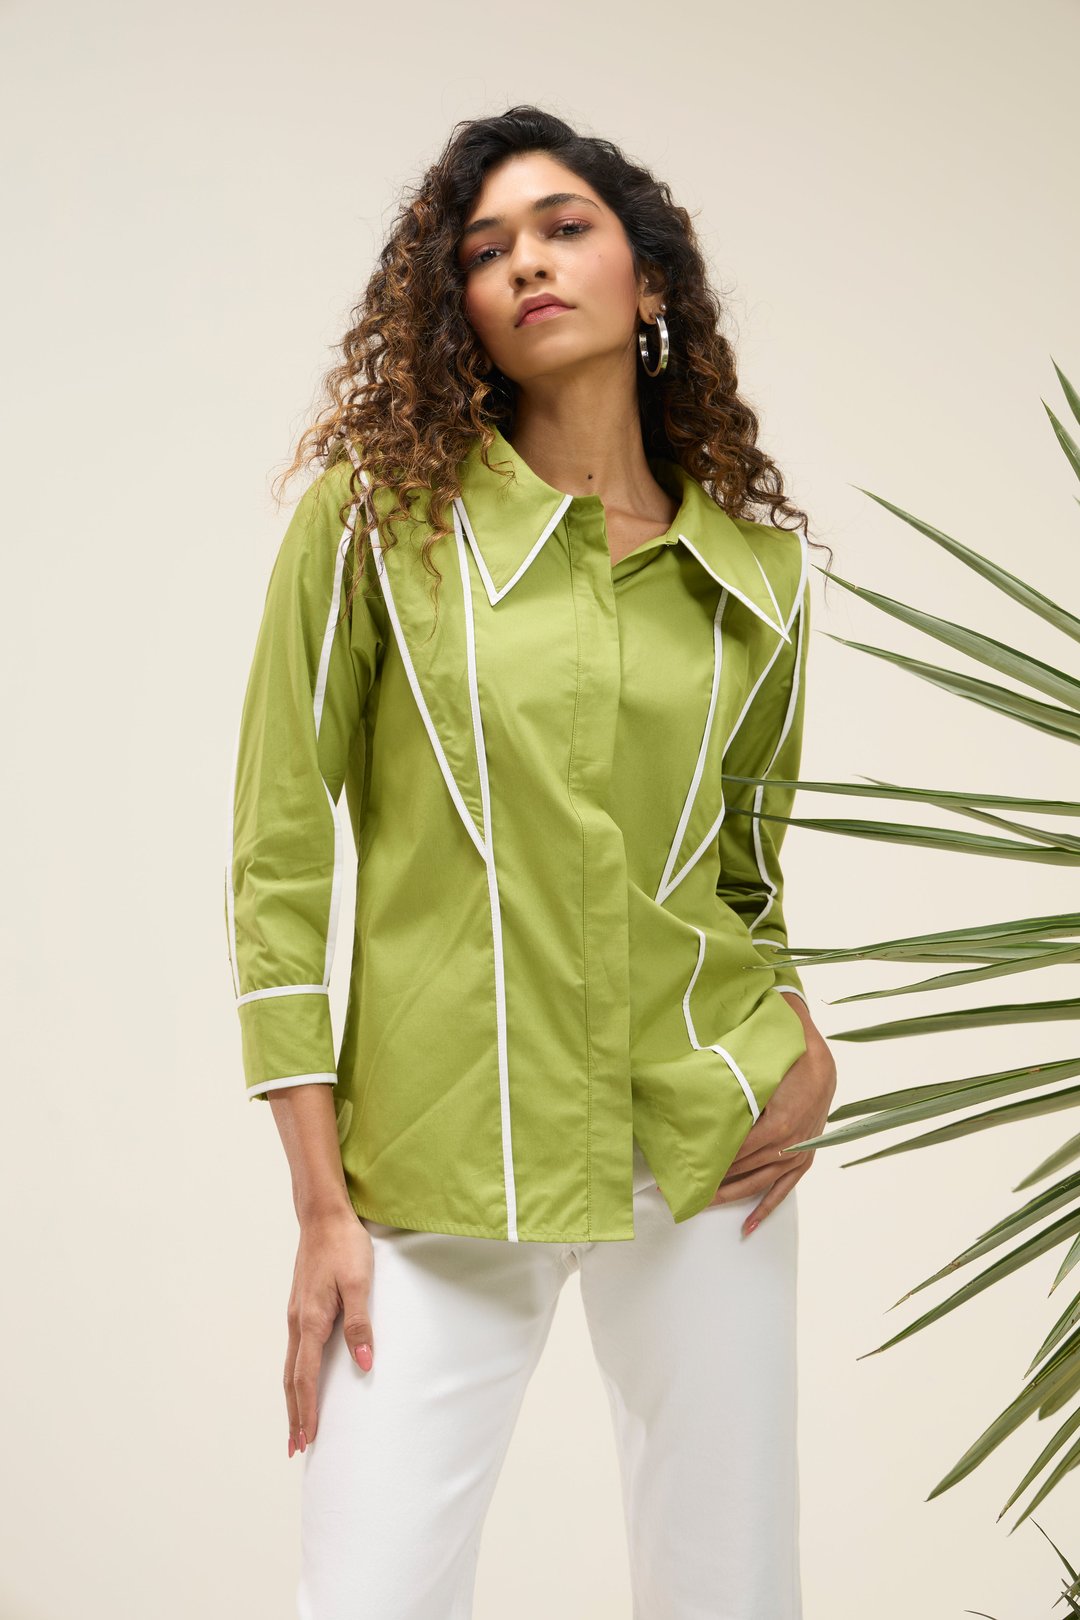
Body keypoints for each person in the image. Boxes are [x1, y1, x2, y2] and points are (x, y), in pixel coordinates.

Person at [225, 104, 838, 1620]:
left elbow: (742, 874)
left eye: (566, 228)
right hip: (437, 1154)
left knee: (730, 1592)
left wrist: (801, 1043)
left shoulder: (755, 579)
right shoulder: (379, 526)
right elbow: (278, 863)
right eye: (486, 250)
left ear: (651, 278)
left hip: (706, 1143)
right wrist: (320, 1209)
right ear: (463, 312)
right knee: (370, 1596)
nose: (527, 264)